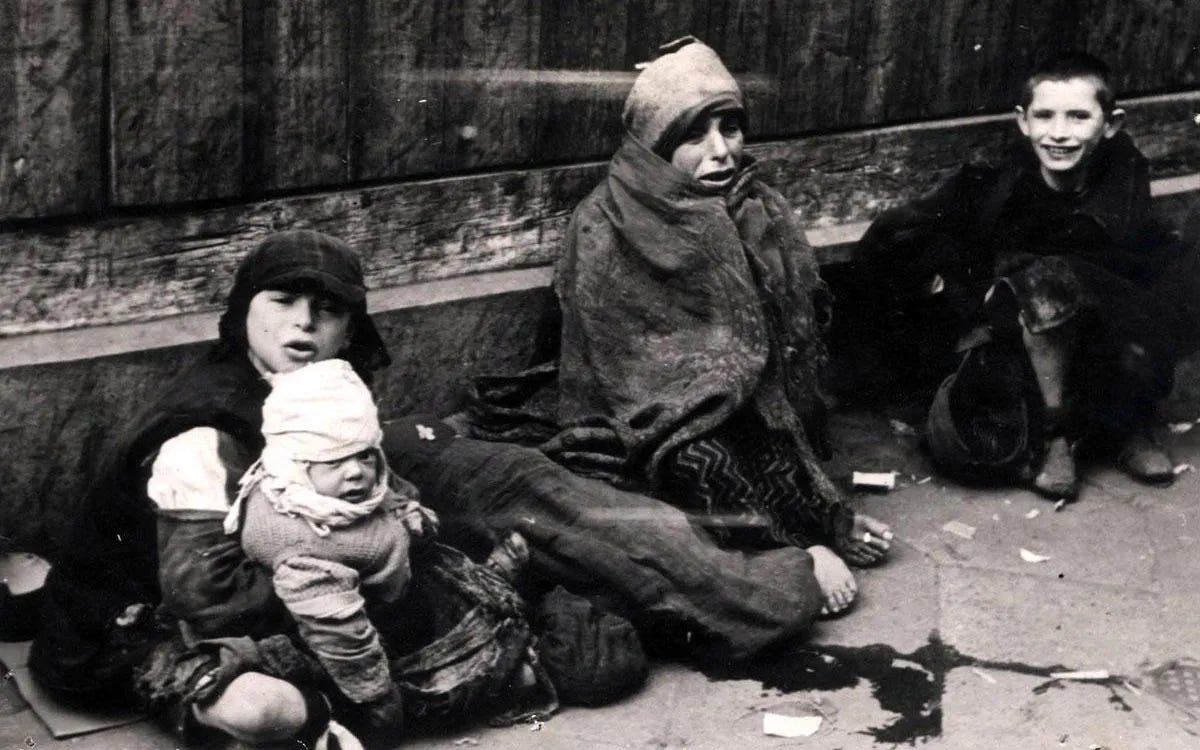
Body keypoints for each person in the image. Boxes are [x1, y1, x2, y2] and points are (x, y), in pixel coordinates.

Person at [29, 231, 542, 749]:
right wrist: (340, 583)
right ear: (244, 312)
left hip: (295, 575)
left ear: (349, 329)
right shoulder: (206, 435)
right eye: (282, 301)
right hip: (144, 621)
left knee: (437, 582)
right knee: (259, 708)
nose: (303, 322)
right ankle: (322, 714)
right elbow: (207, 596)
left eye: (327, 309)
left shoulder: (322, 391)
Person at [467, 37, 892, 617]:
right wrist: (712, 392)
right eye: (694, 135)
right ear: (654, 144)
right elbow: (627, 368)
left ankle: (819, 517)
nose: (720, 152)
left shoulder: (755, 208)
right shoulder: (605, 223)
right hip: (644, 408)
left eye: (731, 128)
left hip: (736, 390)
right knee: (698, 455)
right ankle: (792, 552)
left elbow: (772, 351)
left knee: (765, 421)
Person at [858, 51, 1200, 501]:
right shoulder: (996, 187)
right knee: (1045, 281)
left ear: (1111, 124)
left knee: (1164, 279)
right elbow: (897, 235)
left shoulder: (1124, 181)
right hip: (1023, 340)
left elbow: (1143, 274)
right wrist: (948, 295)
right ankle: (1053, 436)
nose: (1059, 133)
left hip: (1103, 338)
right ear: (1023, 121)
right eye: (1045, 116)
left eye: (1079, 117)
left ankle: (1125, 422)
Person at [225, 358, 433, 736]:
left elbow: (388, 488)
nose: (355, 472)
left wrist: (406, 510)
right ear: (295, 465)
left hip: (374, 589)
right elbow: (339, 632)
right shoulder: (297, 537)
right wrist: (376, 697)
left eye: (364, 455)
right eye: (332, 461)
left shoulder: (334, 488)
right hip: (325, 634)